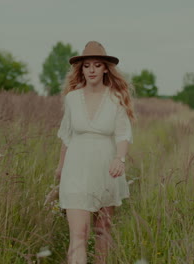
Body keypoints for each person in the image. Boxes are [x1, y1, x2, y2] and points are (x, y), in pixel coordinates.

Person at [55, 41, 136, 264]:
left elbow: (123, 134)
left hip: (105, 171)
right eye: (87, 65)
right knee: (79, 235)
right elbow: (67, 136)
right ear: (81, 69)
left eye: (97, 65)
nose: (91, 70)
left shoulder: (116, 98)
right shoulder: (72, 98)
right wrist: (60, 168)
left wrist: (119, 159)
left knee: (102, 232)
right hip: (76, 170)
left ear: (105, 69)